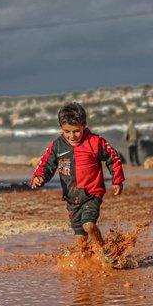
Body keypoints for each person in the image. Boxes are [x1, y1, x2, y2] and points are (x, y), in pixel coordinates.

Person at [30, 102, 125, 261]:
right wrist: (39, 177)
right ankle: (87, 263)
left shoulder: (95, 142)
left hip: (91, 194)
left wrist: (117, 180)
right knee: (81, 239)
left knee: (89, 225)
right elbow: (46, 165)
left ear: (84, 126)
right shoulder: (57, 146)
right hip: (71, 198)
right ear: (61, 128)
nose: (72, 136)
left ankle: (105, 252)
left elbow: (113, 158)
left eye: (76, 131)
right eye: (67, 131)